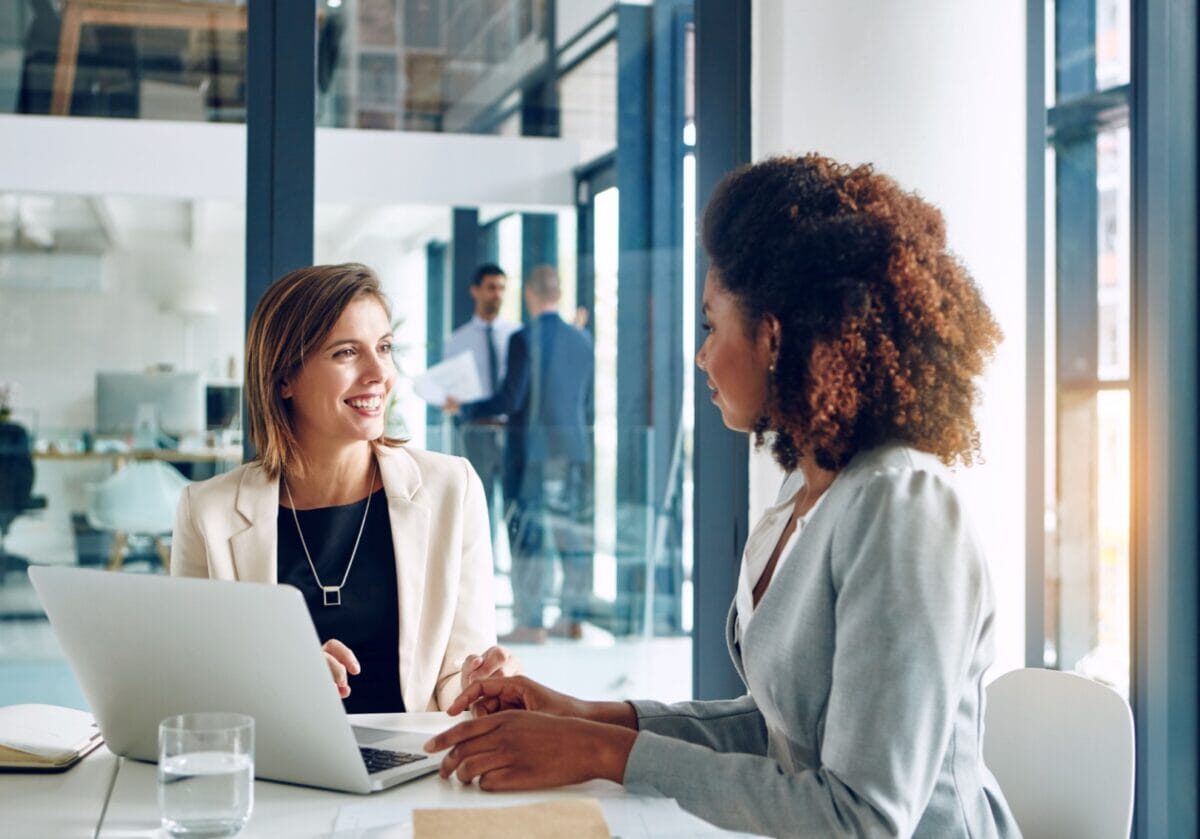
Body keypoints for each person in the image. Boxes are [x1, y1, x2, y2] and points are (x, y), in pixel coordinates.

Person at [425, 154, 1020, 837]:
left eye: (711, 326)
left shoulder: (902, 507)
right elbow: (779, 731)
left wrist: (601, 752)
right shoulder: (809, 489)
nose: (703, 355)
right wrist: (584, 716)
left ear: (773, 335)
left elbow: (863, 818)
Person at [171, 263, 516, 713]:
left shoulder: (452, 488)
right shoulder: (207, 511)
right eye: (346, 353)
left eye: (385, 347)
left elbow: (455, 675)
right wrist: (281, 679)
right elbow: (193, 684)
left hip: (415, 770)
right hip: (280, 769)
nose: (379, 374)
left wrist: (478, 687)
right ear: (284, 378)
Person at [446, 266, 594, 644]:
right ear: (558, 293)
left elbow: (510, 399)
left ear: (529, 294)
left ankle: (530, 622)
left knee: (528, 535)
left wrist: (466, 409)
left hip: (531, 452)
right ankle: (572, 617)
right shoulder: (582, 340)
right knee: (568, 533)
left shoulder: (523, 339)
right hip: (574, 450)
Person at [441, 264, 521, 543]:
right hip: (475, 432)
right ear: (475, 291)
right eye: (491, 288)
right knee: (477, 506)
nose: (497, 295)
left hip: (513, 432)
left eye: (501, 288)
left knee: (516, 508)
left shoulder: (517, 335)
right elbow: (449, 389)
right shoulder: (457, 341)